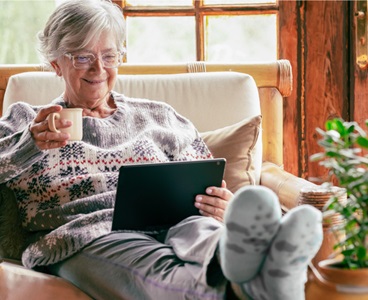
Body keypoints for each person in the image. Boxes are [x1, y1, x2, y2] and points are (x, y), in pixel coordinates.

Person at [0, 0, 323, 299]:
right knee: (152, 266)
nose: (99, 69)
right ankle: (257, 282)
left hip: (179, 221)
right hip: (88, 234)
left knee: (204, 233)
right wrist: (31, 143)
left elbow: (205, 174)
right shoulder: (28, 120)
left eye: (109, 56)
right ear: (56, 63)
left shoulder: (160, 116)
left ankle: (247, 254)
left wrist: (221, 202)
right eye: (83, 57)